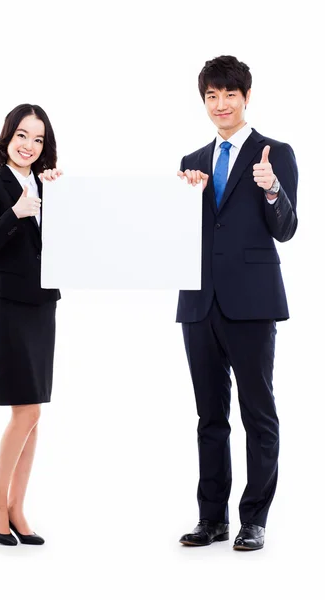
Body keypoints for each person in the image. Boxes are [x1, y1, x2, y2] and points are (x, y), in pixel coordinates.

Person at [176, 56, 298, 551]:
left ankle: (254, 519)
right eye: (212, 96)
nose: (220, 104)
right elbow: (178, 237)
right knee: (210, 417)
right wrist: (185, 201)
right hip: (199, 301)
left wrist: (271, 191)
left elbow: (286, 230)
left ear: (246, 97)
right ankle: (212, 518)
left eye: (229, 95)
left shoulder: (277, 154)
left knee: (258, 413)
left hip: (251, 301)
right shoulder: (191, 161)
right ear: (204, 100)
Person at [0, 104, 62, 546]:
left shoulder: (51, 186)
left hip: (43, 307)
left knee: (34, 414)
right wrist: (17, 212)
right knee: (22, 411)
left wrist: (57, 201)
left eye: (38, 139)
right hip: (8, 307)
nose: (29, 146)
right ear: (7, 137)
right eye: (22, 136)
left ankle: (18, 507)